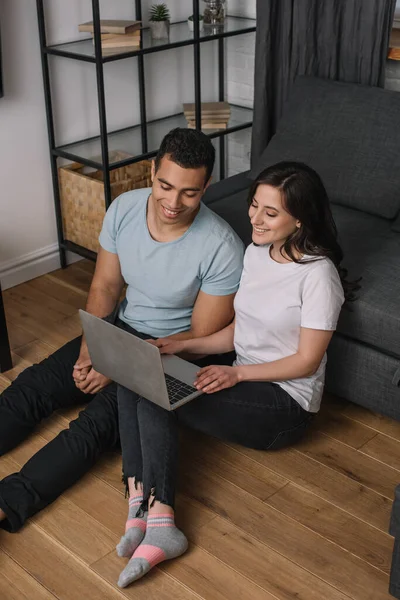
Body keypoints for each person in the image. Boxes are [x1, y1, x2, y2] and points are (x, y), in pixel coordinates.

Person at [115, 161, 349, 588]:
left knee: (155, 390)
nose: (255, 219)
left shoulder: (319, 276)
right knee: (139, 370)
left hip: (284, 404)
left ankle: (162, 521)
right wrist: (179, 344)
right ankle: (139, 501)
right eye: (254, 205)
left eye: (270, 213)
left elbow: (307, 362)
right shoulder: (256, 253)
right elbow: (240, 331)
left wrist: (237, 377)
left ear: (300, 219)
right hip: (243, 375)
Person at [0, 127, 244, 533]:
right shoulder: (124, 209)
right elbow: (105, 286)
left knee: (92, 429)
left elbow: (198, 342)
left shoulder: (222, 247)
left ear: (206, 186)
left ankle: (8, 504)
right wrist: (92, 346)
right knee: (35, 385)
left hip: (172, 355)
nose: (173, 201)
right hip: (120, 331)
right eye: (165, 186)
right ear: (151, 171)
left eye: (190, 192)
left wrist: (114, 365)